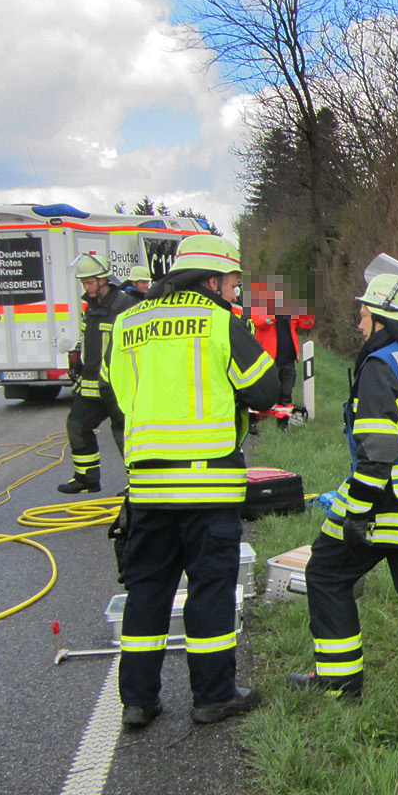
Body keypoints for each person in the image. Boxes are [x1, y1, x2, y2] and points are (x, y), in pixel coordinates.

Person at [104, 234, 280, 728]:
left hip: (148, 488)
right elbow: (264, 390)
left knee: (147, 592)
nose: (234, 291)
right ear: (209, 280)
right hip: (208, 488)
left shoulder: (128, 321)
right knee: (209, 591)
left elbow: (117, 391)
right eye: (230, 282)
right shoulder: (219, 322)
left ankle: (137, 701)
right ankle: (213, 696)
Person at [289, 267, 398, 716]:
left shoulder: (380, 366)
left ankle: (339, 681)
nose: (361, 319)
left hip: (387, 505)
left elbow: (377, 453)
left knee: (326, 574)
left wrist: (358, 514)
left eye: (366, 311)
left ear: (386, 317)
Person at [57, 252, 137, 494]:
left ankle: (138, 484)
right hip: (91, 383)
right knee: (76, 424)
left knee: (124, 433)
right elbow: (89, 338)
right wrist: (78, 362)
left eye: (89, 282)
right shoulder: (92, 306)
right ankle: (86, 478)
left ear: (104, 280)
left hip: (117, 385)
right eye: (83, 283)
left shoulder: (125, 305)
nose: (86, 287)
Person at [247, 277, 314, 412]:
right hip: (268, 358)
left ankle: (283, 421)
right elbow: (260, 322)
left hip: (288, 358)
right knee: (263, 391)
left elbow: (307, 324)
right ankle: (254, 420)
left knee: (286, 393)